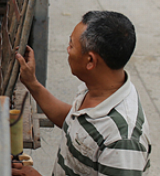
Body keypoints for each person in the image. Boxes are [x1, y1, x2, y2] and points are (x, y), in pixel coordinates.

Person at [13, 11, 151, 176]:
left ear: (91, 61)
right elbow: (74, 122)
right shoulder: (102, 87)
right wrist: (32, 83)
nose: (67, 49)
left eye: (71, 45)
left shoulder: (122, 141)